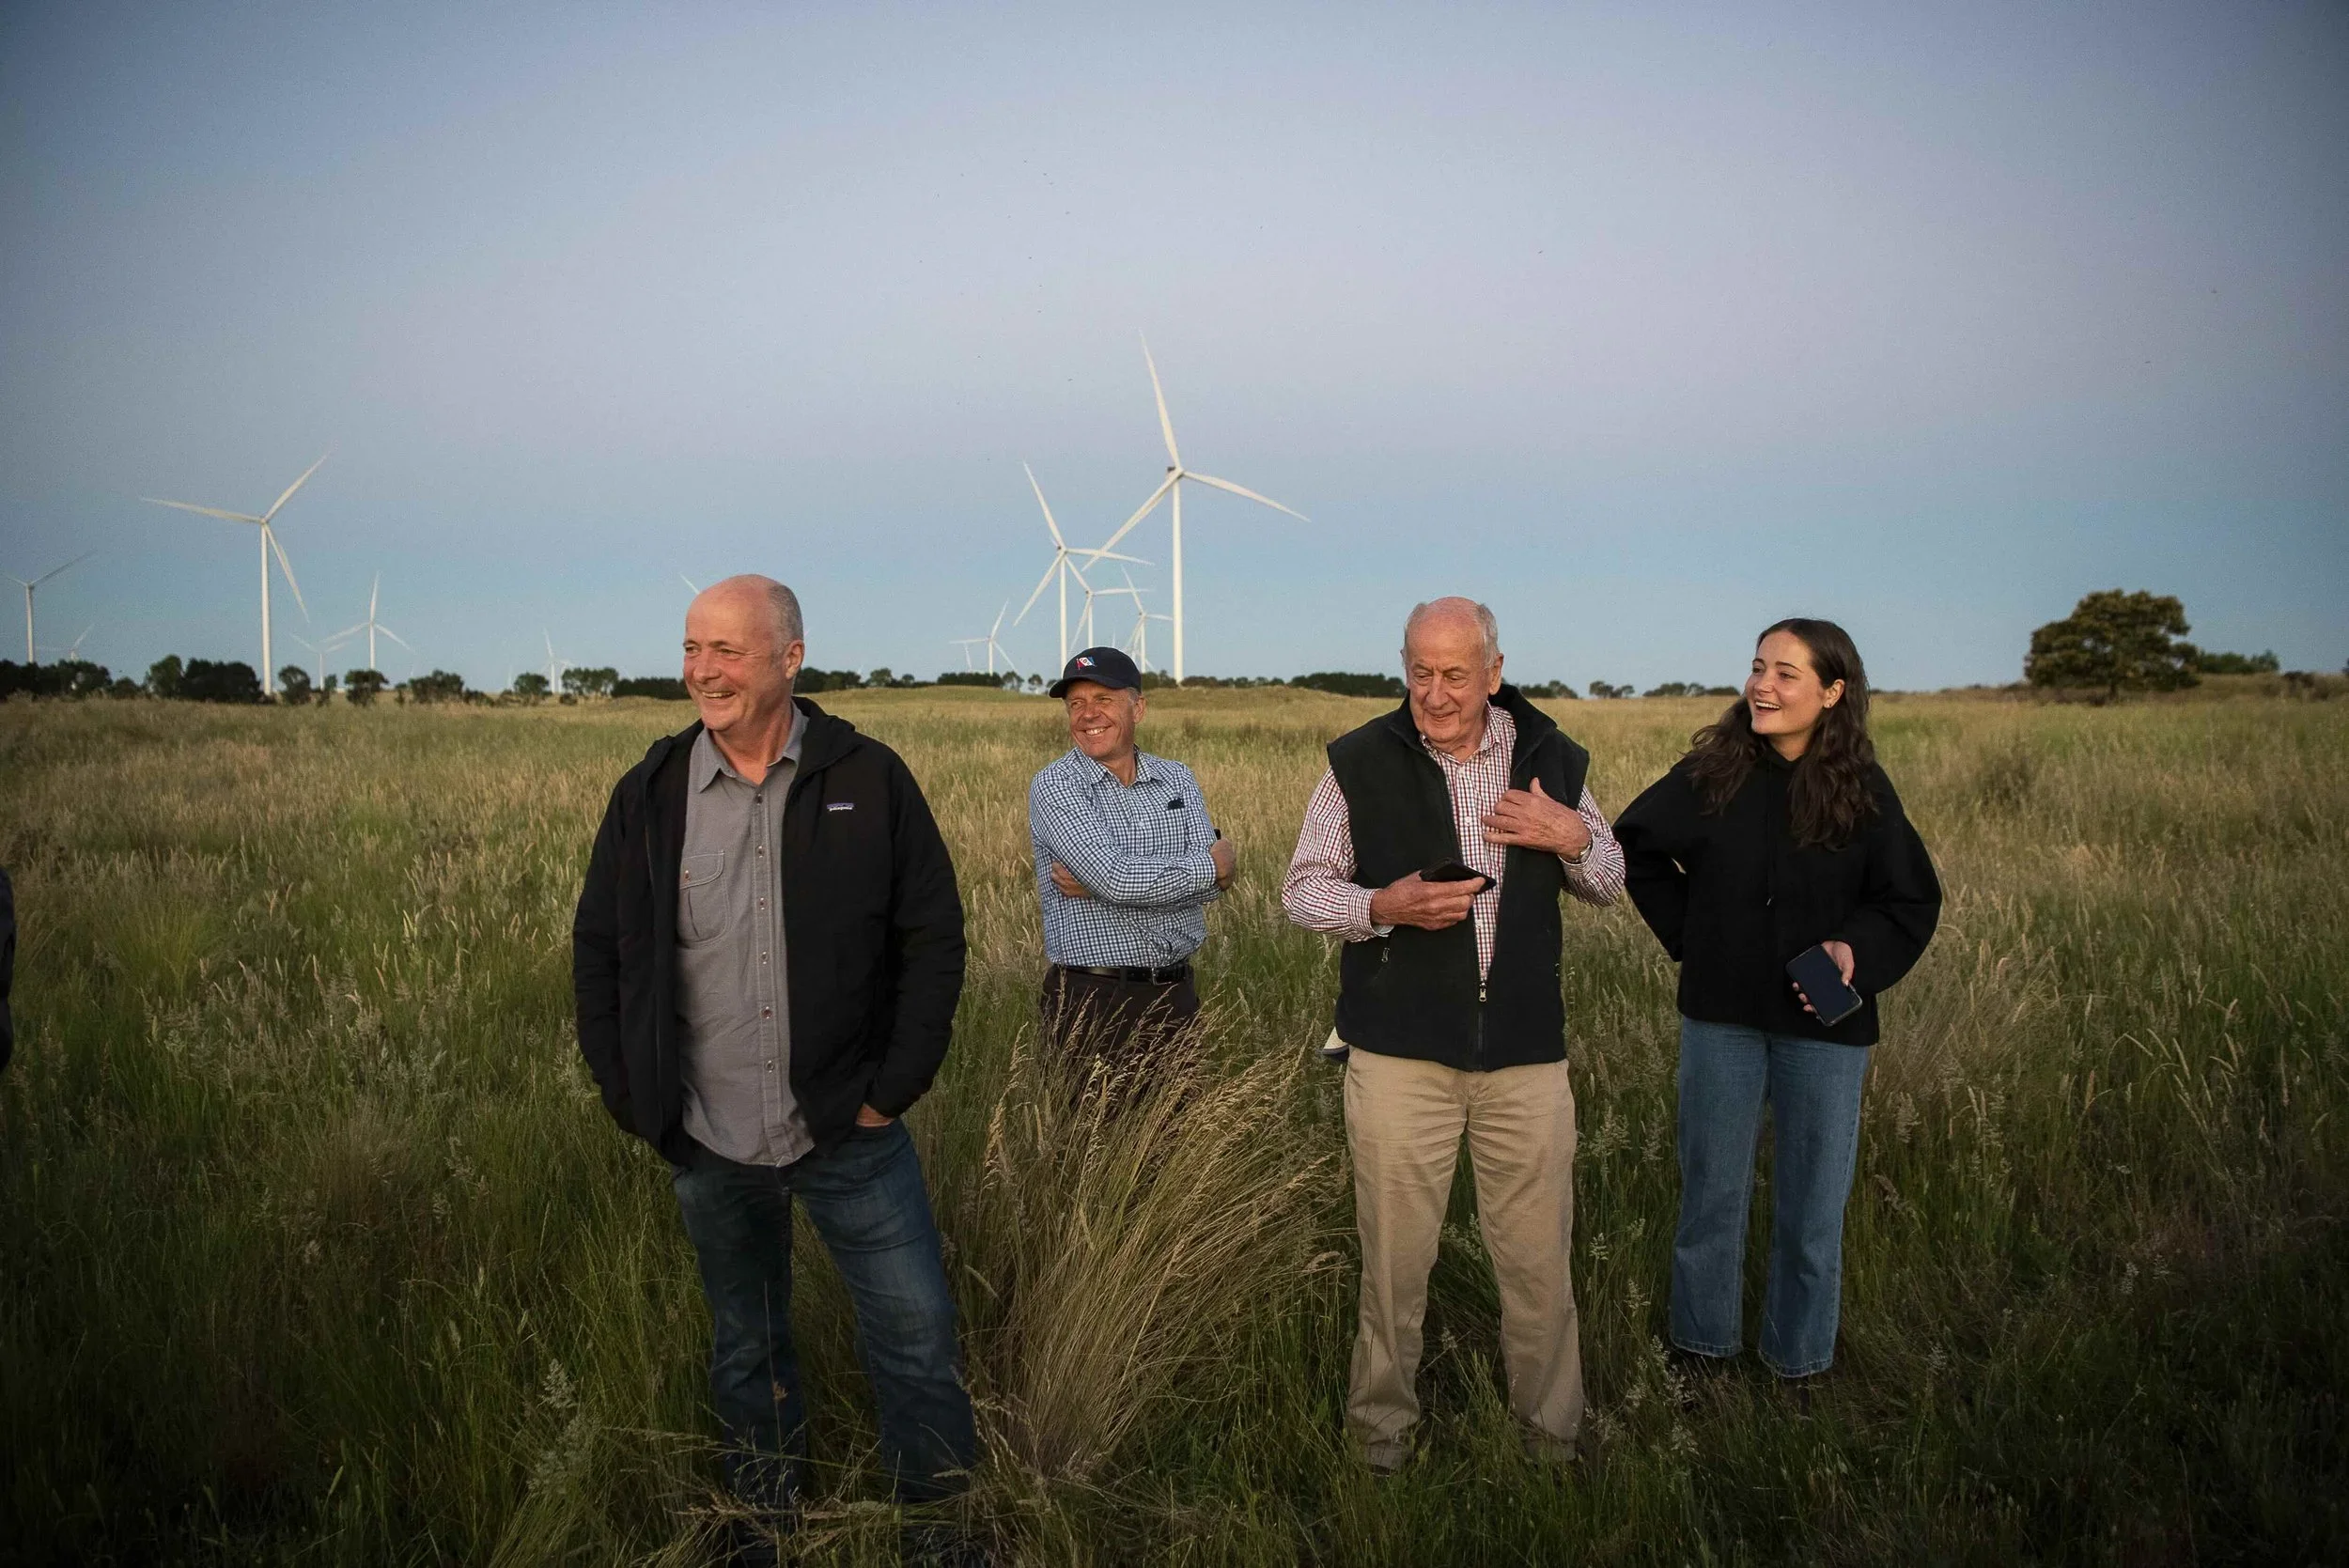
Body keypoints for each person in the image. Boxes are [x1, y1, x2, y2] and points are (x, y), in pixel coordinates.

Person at [571, 576, 976, 1555]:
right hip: (708, 1135)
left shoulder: (869, 779)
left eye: (727, 651)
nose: (702, 671)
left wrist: (889, 1093)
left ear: (789, 658)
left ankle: (942, 1533)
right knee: (747, 1349)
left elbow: (934, 936)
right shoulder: (653, 792)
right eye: (692, 649)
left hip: (850, 1132)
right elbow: (601, 949)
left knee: (916, 1340)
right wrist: (638, 1101)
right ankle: (763, 1527)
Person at [1282, 598, 1624, 1472]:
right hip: (1399, 1059)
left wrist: (1571, 834)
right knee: (1394, 1270)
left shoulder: (1551, 758)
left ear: (1495, 673)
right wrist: (1380, 906)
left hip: (1525, 1059)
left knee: (1539, 1268)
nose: (1433, 694)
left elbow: (1611, 879)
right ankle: (1380, 1443)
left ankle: (1550, 1442)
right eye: (1419, 672)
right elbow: (1300, 889)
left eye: (1455, 675)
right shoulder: (1359, 762)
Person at [1613, 617, 1939, 1385]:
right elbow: (1632, 845)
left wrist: (1855, 950)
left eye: (1787, 673)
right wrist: (1696, 934)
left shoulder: (1862, 790)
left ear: (1833, 691)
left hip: (1824, 1026)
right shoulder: (1713, 772)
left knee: (1812, 1213)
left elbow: (1910, 899)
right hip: (1721, 1017)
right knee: (1711, 1198)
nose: (1763, 684)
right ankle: (1701, 1356)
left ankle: (1799, 1364)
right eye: (1759, 667)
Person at [1028, 646, 1235, 1086]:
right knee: (1092, 1146)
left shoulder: (1177, 778)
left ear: (1137, 707)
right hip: (1092, 999)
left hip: (1175, 996)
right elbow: (1122, 879)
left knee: (1176, 1141)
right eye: (1075, 704)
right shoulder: (1055, 784)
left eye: (1102, 700)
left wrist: (1105, 881)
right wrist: (1203, 868)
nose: (1087, 715)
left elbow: (1217, 887)